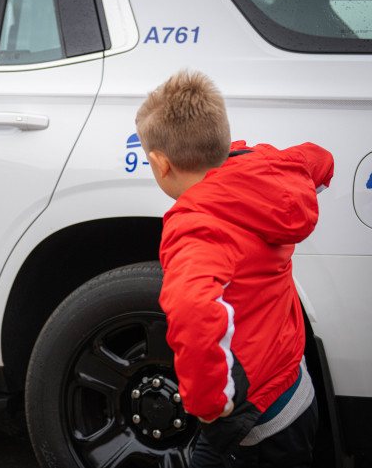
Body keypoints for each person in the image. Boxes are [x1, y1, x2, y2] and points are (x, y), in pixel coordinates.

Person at [135, 70, 334, 467]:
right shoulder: (266, 169)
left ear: (161, 164)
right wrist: (315, 179)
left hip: (252, 421)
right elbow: (318, 160)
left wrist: (209, 405)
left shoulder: (195, 227)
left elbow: (194, 312)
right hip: (295, 387)